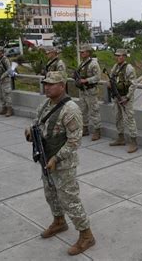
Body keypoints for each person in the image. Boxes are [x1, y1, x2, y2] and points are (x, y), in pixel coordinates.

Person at [24, 71, 95, 255]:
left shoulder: (70, 109)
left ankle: (86, 235)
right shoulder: (45, 105)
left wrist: (57, 158)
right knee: (51, 195)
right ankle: (59, 222)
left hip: (63, 163)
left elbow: (74, 141)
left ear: (62, 86)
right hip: (46, 159)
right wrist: (31, 133)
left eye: (51, 84)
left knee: (70, 200)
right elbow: (37, 124)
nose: (46, 87)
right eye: (45, 84)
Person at [108, 49, 138, 153]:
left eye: (119, 56)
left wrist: (127, 97)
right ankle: (120, 138)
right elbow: (112, 79)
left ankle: (133, 142)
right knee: (117, 117)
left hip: (125, 97)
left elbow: (133, 84)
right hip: (117, 96)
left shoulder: (129, 68)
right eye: (116, 55)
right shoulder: (115, 67)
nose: (117, 57)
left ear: (124, 57)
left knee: (129, 118)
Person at [76, 44, 102, 140]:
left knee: (94, 111)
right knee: (83, 111)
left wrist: (86, 80)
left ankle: (97, 130)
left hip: (91, 91)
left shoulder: (93, 63)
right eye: (81, 52)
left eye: (83, 52)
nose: (81, 54)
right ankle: (85, 128)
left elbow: (98, 77)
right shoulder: (82, 63)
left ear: (88, 52)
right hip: (83, 91)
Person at [0, 46, 13, 117]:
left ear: (1, 51)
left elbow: (9, 70)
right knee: (0, 95)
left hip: (5, 79)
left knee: (7, 94)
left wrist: (2, 76)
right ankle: (4, 108)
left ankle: (9, 109)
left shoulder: (5, 59)